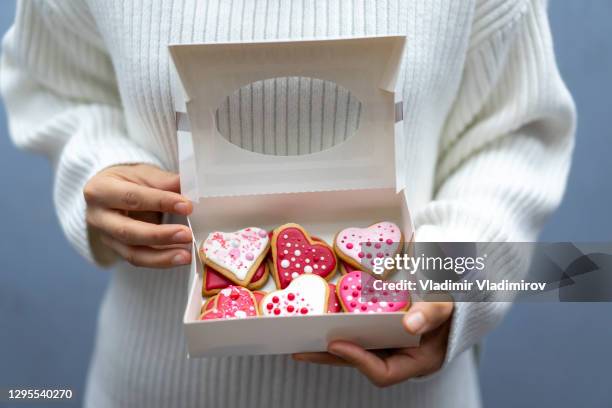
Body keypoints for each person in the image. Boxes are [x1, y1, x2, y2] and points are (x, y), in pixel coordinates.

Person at [1, 1, 575, 407]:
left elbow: (514, 135)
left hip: (409, 394)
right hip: (153, 383)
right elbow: (55, 84)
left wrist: (456, 270)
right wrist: (99, 168)